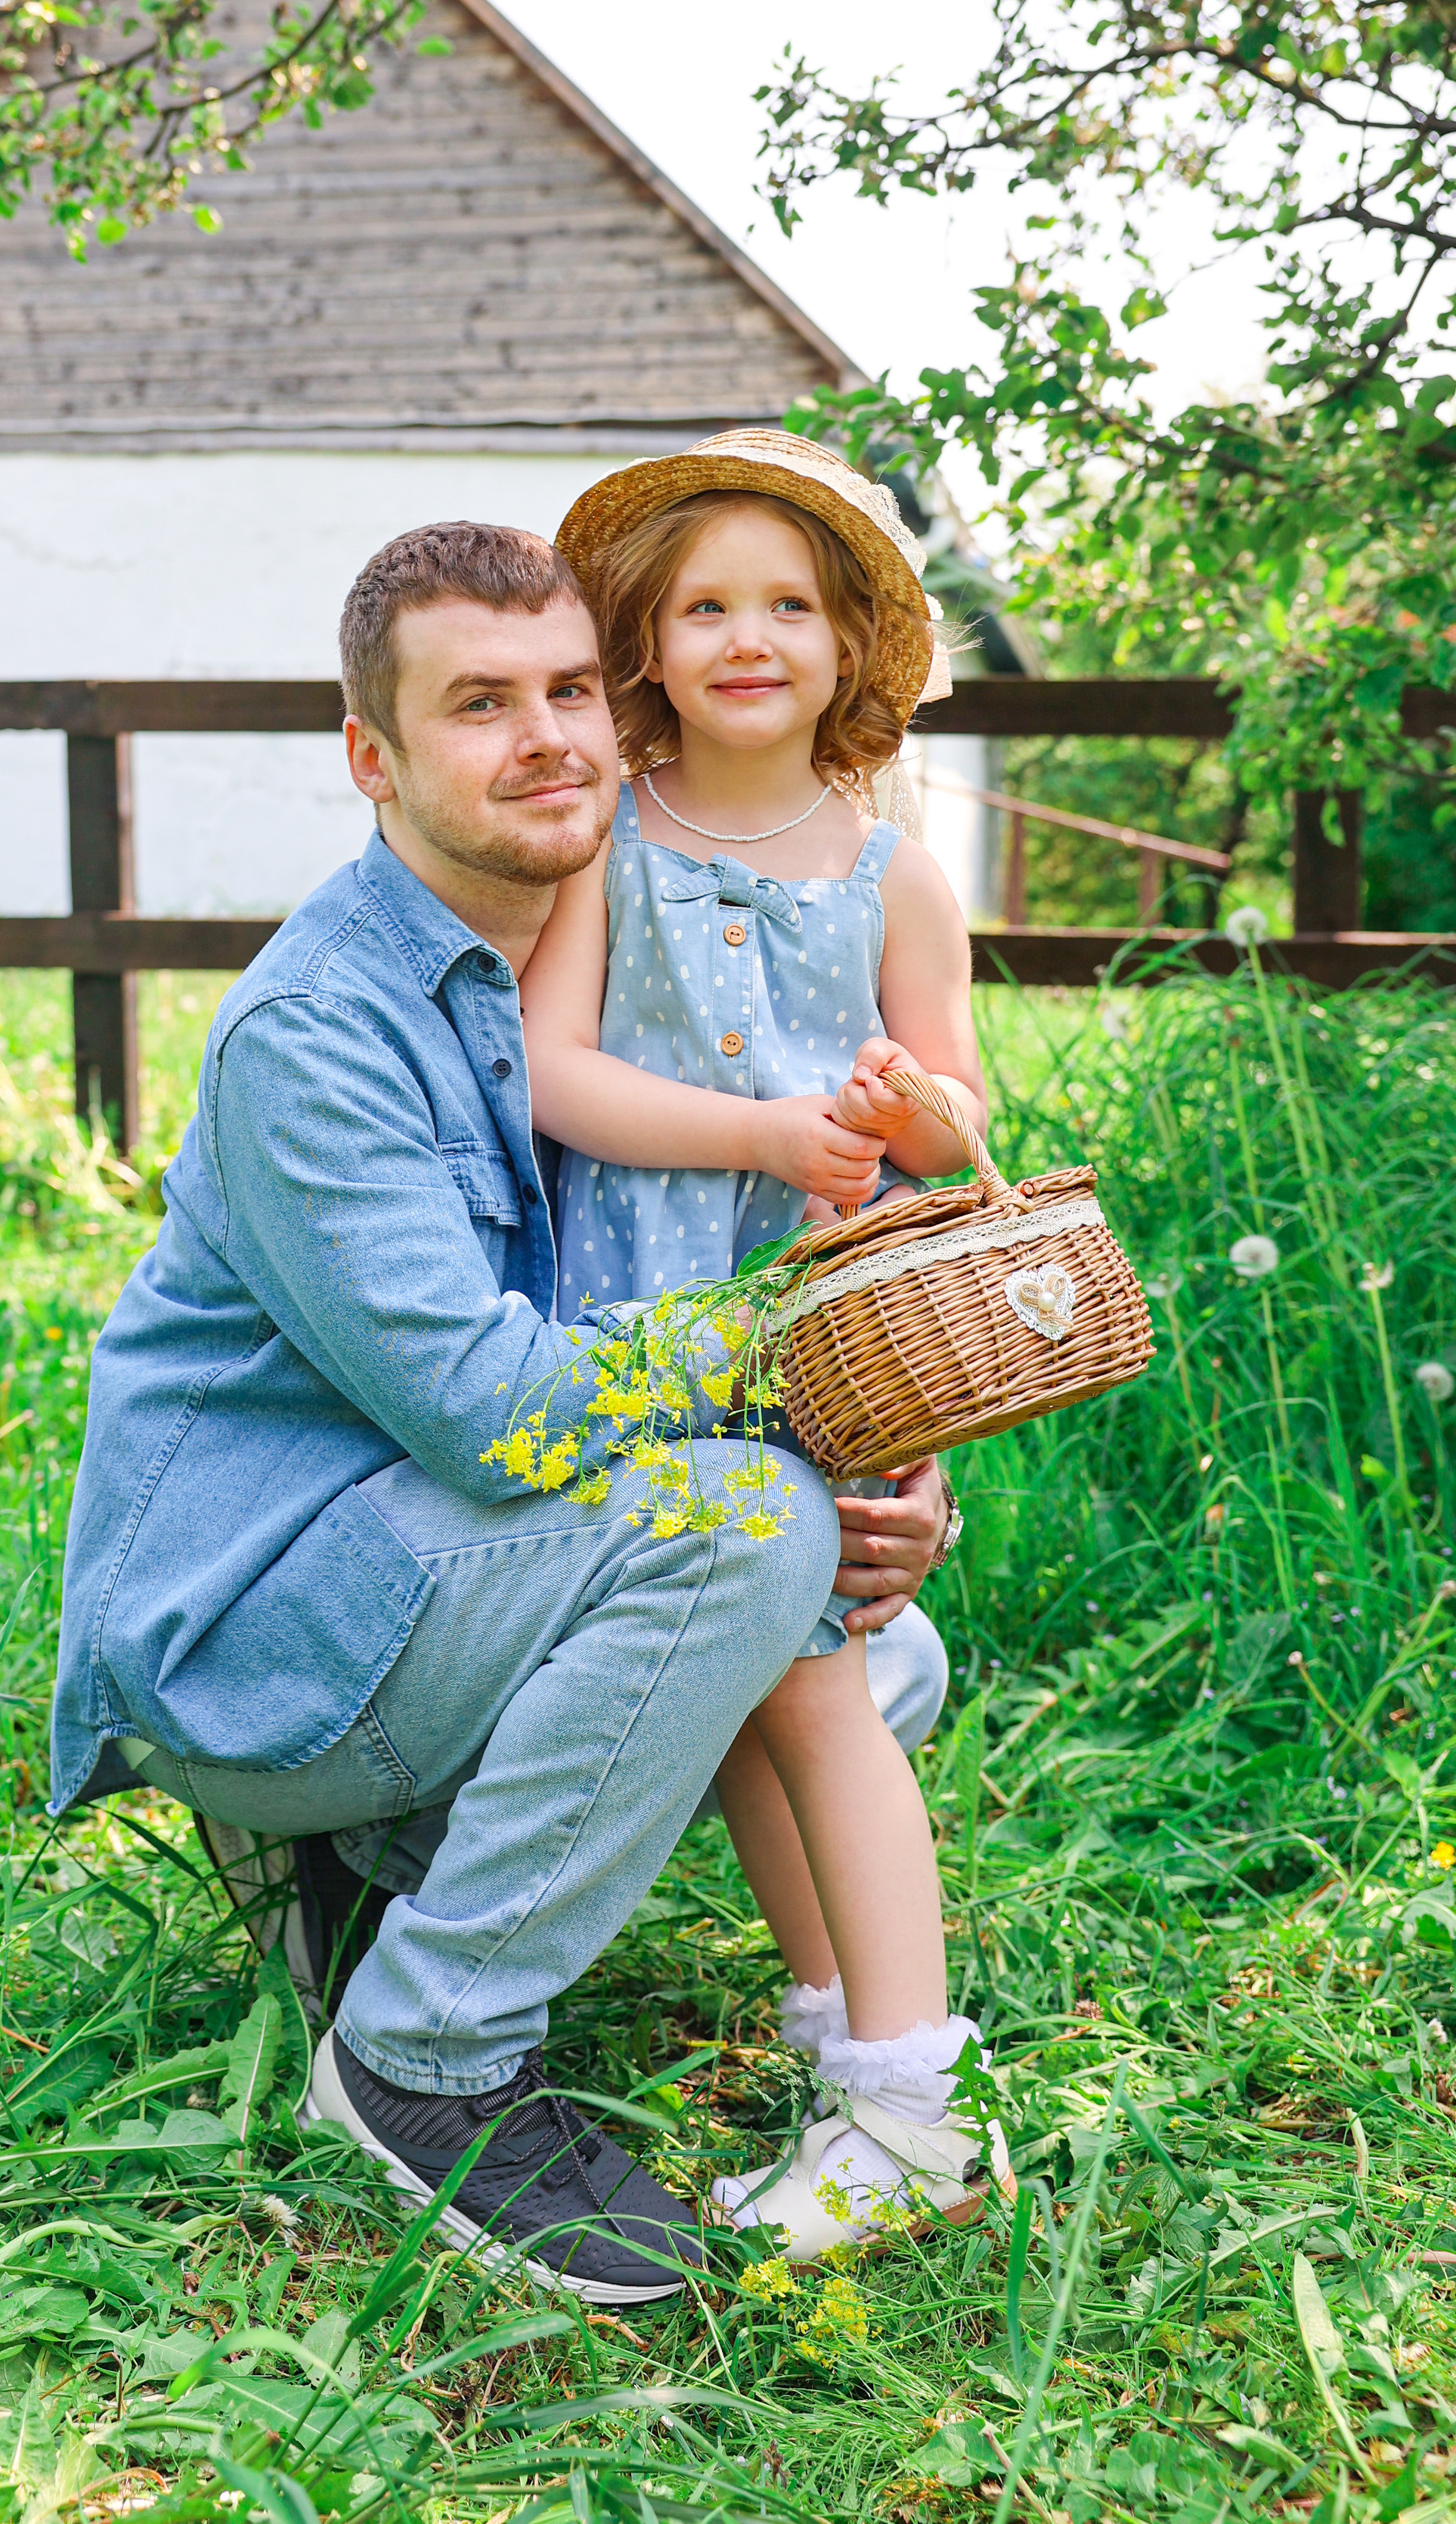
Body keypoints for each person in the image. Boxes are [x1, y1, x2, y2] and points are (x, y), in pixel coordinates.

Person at [50, 518, 984, 2309]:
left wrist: (886, 1463)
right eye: (479, 704)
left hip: (428, 1572)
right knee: (743, 1539)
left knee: (865, 1650)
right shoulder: (318, 1033)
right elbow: (496, 1413)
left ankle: (381, 1862)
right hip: (259, 1624)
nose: (547, 737)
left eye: (567, 687)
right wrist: (804, 1372)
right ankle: (428, 2052)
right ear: (371, 760)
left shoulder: (594, 940)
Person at [521, 427, 1008, 2256]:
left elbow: (957, 1122)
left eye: (788, 603)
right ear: (643, 643)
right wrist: (755, 1128)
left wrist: (902, 1105)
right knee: (737, 1680)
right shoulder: (609, 846)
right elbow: (559, 1074)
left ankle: (904, 2107)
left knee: (807, 1674)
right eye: (704, 603)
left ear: (849, 641)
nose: (747, 634)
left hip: (823, 1319)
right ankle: (836, 2037)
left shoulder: (893, 865)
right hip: (642, 1309)